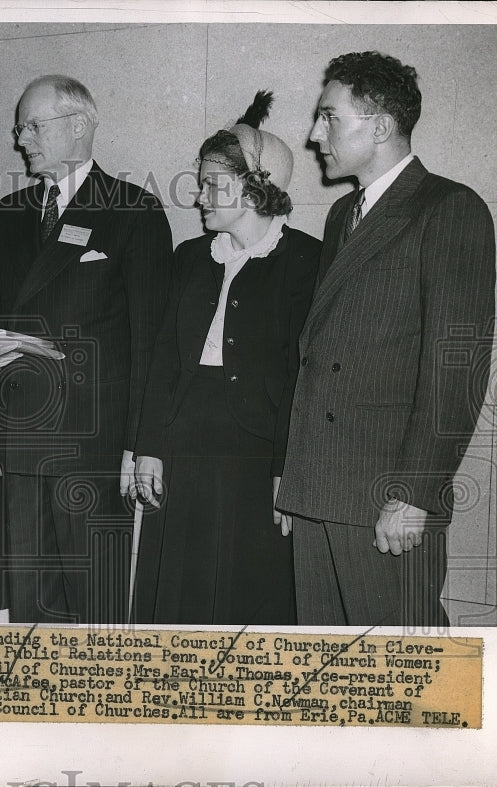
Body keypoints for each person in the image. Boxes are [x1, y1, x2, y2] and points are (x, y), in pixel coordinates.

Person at [276, 52, 496, 626]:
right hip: (322, 492)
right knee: (328, 676)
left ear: (378, 126)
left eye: (329, 118)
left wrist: (416, 493)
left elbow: (457, 366)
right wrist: (298, 484)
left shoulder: (449, 208)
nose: (314, 134)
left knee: (402, 676)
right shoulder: (343, 214)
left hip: (386, 498)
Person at [0, 75, 173, 624]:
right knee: (31, 604)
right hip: (23, 436)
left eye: (34, 126)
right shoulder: (9, 216)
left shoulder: (132, 210)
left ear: (80, 126)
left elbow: (151, 344)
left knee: (95, 603)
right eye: (22, 128)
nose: (23, 140)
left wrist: (138, 447)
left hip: (95, 441)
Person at [132, 92, 319, 625]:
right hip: (185, 440)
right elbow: (163, 360)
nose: (200, 197)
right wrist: (150, 447)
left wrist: (290, 471)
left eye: (214, 185)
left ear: (257, 188)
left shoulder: (305, 261)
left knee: (248, 586)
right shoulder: (191, 257)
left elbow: (300, 379)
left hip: (256, 454)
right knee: (180, 587)